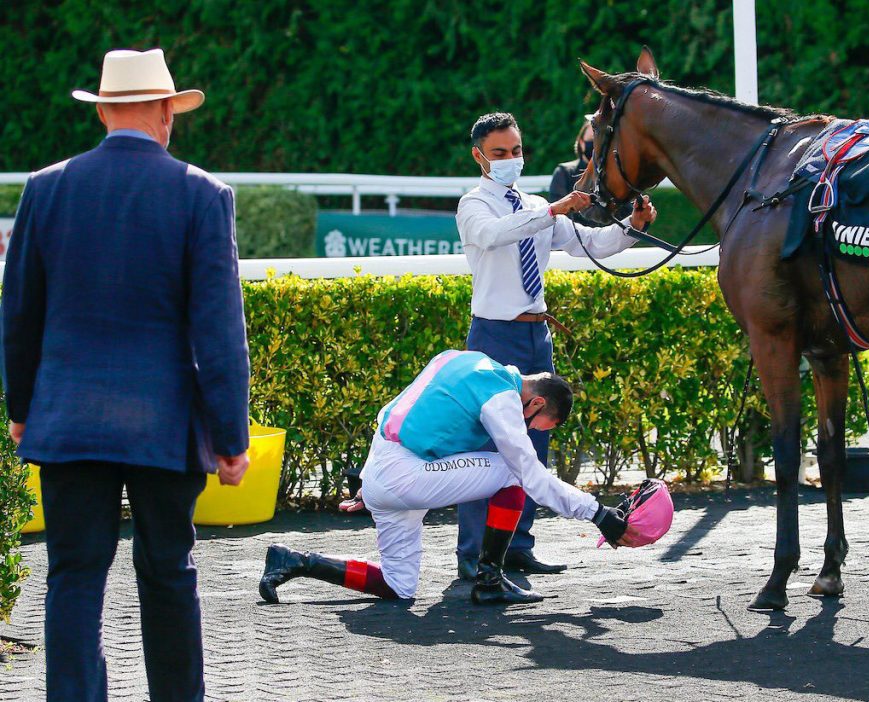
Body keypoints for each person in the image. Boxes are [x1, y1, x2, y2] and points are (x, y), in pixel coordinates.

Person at [1, 49, 250, 701]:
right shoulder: (203, 195)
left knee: (74, 577)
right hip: (162, 426)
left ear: (104, 110)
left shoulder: (46, 188)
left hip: (68, 420)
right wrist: (231, 439)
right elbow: (219, 332)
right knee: (169, 573)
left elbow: (19, 312)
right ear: (168, 112)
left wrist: (21, 406)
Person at [259, 349, 631, 605]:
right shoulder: (502, 397)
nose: (528, 428)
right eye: (535, 424)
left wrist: (368, 481)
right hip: (404, 475)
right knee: (513, 473)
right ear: (535, 403)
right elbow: (530, 476)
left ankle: (296, 561)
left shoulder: (459, 358)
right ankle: (489, 581)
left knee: (398, 587)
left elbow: (394, 412)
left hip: (384, 468)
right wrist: (597, 513)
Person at [453, 112, 657, 580]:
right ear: (479, 157)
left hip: (535, 334)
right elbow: (491, 235)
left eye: (516, 151)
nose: (510, 159)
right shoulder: (473, 204)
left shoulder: (537, 203)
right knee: (487, 447)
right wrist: (552, 210)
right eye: (500, 153)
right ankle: (474, 554)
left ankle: (516, 546)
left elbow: (590, 244)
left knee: (534, 444)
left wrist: (631, 224)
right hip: (492, 335)